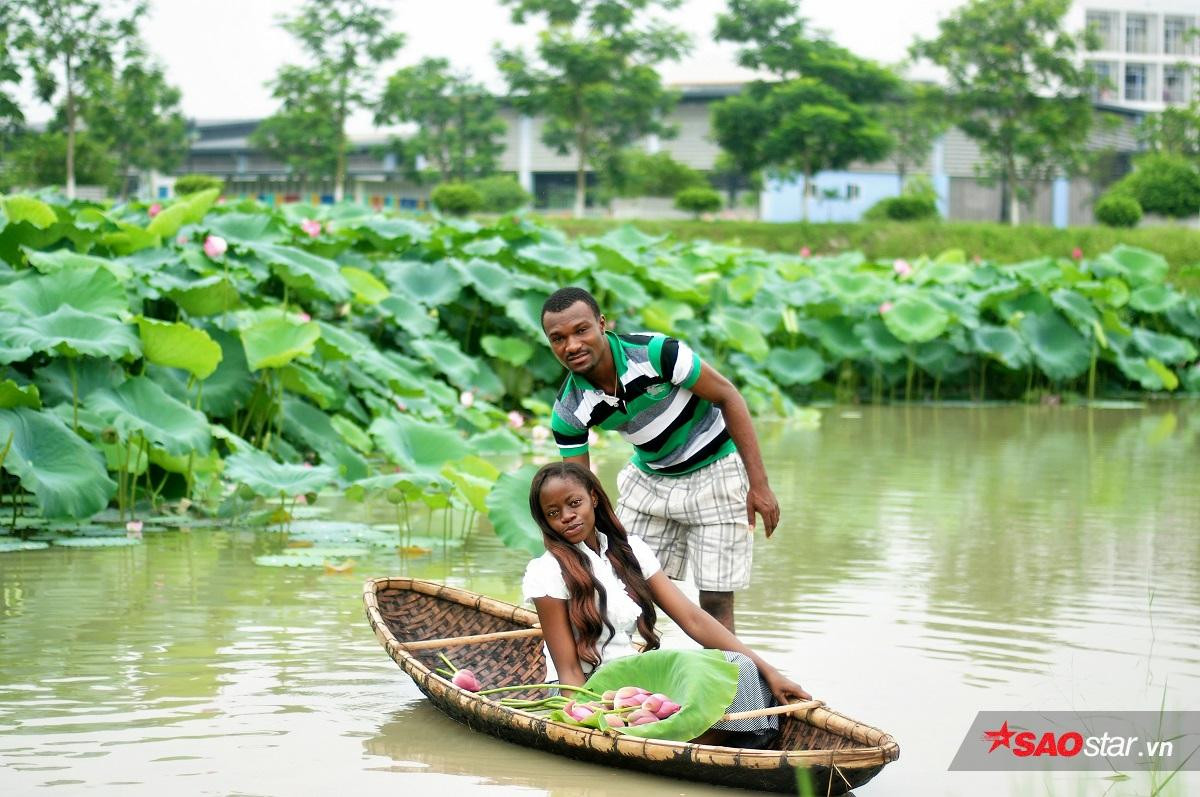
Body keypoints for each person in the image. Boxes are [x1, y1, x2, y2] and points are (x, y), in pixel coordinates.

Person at [540, 286, 780, 632]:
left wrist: (760, 486)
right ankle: (634, 675)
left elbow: (728, 396)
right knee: (625, 586)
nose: (572, 345)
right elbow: (578, 490)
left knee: (714, 598)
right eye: (558, 338)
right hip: (651, 477)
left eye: (581, 330)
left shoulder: (656, 354)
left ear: (602, 324)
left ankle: (731, 680)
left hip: (717, 468)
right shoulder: (569, 408)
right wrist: (580, 554)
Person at [522, 461, 810, 746]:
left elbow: (692, 618)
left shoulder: (630, 550)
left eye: (575, 503)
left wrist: (769, 670)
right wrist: (586, 720)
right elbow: (568, 671)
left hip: (634, 677)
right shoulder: (546, 571)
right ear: (545, 521)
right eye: (553, 513)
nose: (568, 516)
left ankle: (708, 738)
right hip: (588, 691)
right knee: (719, 688)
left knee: (740, 666)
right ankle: (697, 742)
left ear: (594, 498)